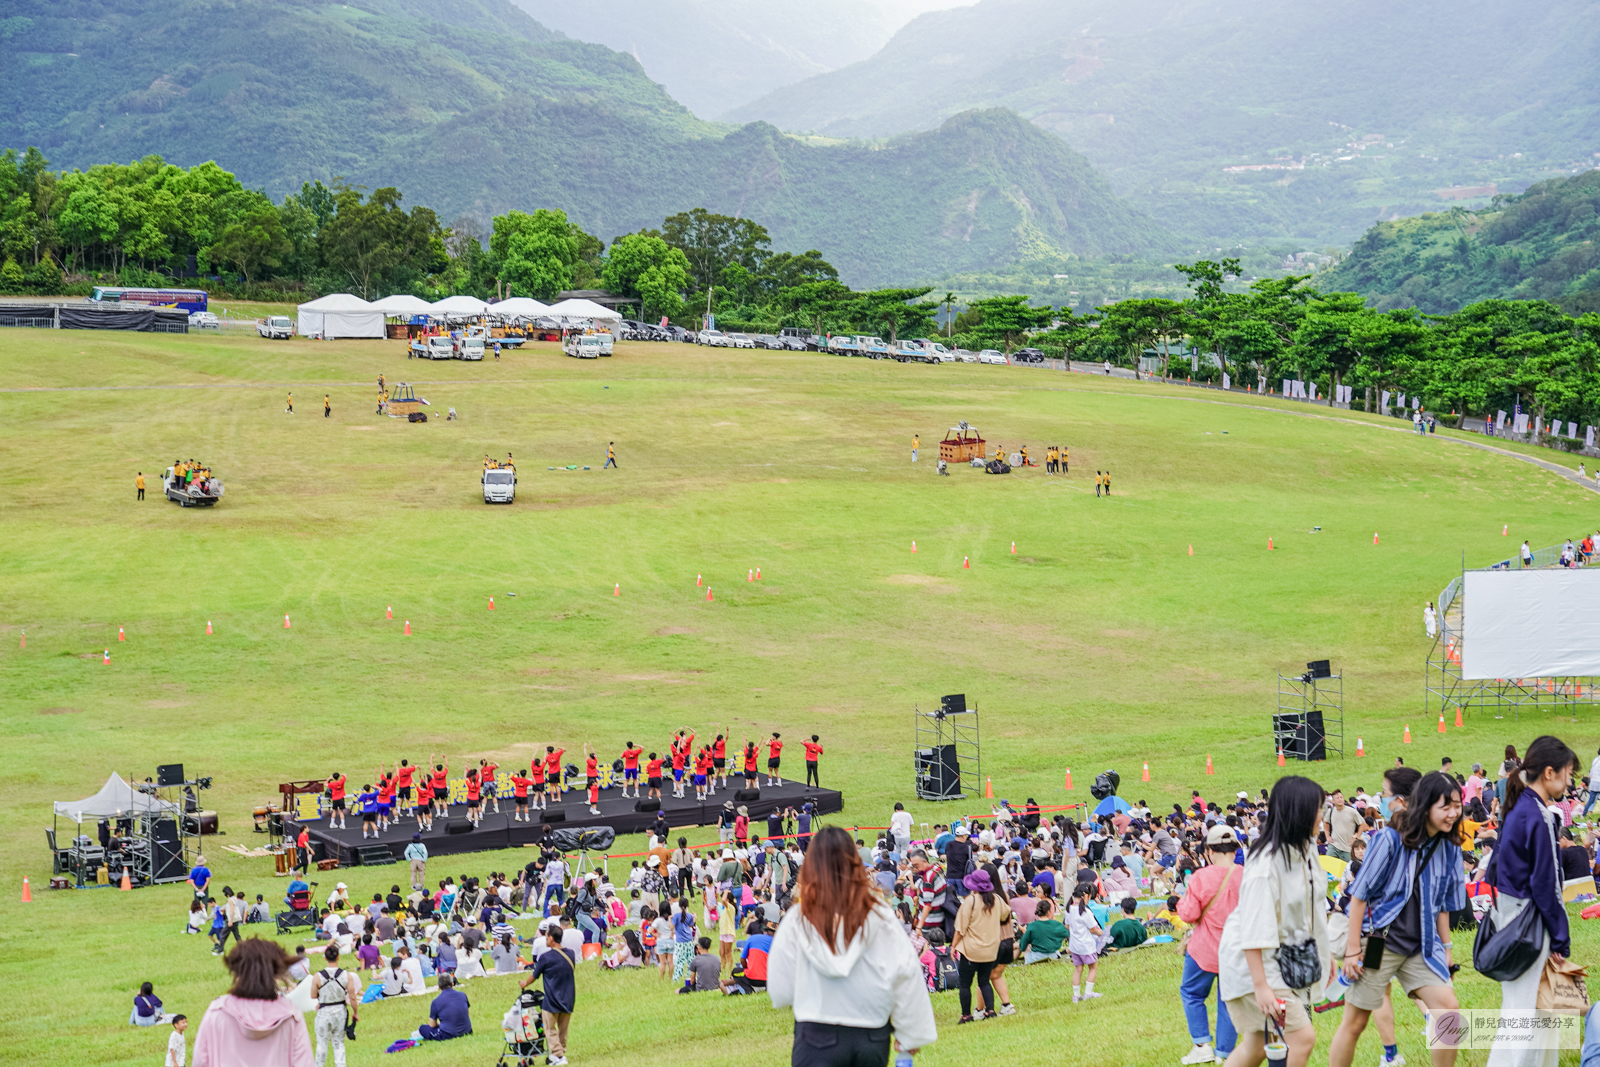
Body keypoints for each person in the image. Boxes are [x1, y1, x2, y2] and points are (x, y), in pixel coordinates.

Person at [1331, 770, 1467, 1067]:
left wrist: (1447, 950)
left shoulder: (1450, 845)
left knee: (1449, 1014)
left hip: (1422, 945)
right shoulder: (1389, 839)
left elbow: (1443, 902)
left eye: (1456, 805)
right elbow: (1359, 896)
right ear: (1425, 806)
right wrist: (1353, 950)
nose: (1453, 813)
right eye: (1445, 807)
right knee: (1355, 1024)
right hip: (1382, 942)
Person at [768, 825, 936, 1065]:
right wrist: (911, 1032)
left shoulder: (798, 919)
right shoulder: (879, 915)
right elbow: (905, 972)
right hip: (871, 1032)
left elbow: (780, 990)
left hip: (816, 1031)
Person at [1215, 775, 1330, 1067]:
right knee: (1301, 1038)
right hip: (1254, 962)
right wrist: (1261, 986)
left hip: (1283, 959)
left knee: (1256, 1046)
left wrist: (1325, 960)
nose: (1323, 815)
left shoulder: (1305, 849)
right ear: (1300, 811)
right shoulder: (1266, 863)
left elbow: (1313, 910)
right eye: (1319, 808)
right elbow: (1254, 929)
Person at [1487, 735, 1577, 1067]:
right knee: (1524, 1015)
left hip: (1512, 917)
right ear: (1550, 772)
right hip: (1530, 922)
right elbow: (1546, 884)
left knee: (1536, 1011)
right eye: (1568, 772)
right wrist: (1561, 937)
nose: (1570, 781)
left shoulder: (1519, 806)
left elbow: (1495, 871)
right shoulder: (1538, 815)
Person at [1177, 824, 1243, 1064]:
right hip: (1237, 951)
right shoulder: (1246, 876)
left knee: (1191, 993)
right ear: (1235, 849)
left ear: (1209, 851)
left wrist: (1179, 905)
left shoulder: (1200, 876)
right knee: (1229, 1001)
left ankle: (1202, 1044)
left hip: (1204, 950)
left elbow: (1188, 915)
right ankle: (1225, 1054)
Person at [191, 938, 313, 1067]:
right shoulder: (291, 1015)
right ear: (275, 974)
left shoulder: (217, 1013)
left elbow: (200, 1061)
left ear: (237, 972)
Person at [950, 867, 1011, 1023]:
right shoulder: (997, 899)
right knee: (984, 981)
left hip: (971, 950)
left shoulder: (971, 901)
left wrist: (953, 946)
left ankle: (966, 1015)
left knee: (965, 984)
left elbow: (960, 928)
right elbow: (1006, 914)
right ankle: (990, 1011)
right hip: (991, 949)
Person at [522, 928, 575, 1066]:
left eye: (546, 937)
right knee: (563, 1029)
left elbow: (534, 976)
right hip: (568, 998)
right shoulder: (571, 954)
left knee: (549, 1028)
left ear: (551, 938)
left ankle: (558, 1055)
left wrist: (524, 984)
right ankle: (560, 1053)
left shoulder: (545, 957)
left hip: (552, 999)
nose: (546, 940)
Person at [310, 944, 359, 1067]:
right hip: (340, 1012)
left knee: (322, 1043)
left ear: (325, 958)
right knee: (338, 1043)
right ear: (338, 957)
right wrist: (355, 1012)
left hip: (324, 1012)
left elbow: (313, 995)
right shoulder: (346, 976)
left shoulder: (318, 976)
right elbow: (353, 997)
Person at [411, 972, 471, 1044]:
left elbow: (432, 1024)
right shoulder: (462, 995)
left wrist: (440, 1024)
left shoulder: (436, 1002)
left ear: (439, 986)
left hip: (448, 1034)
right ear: (452, 984)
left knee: (422, 1028)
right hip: (467, 1030)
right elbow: (466, 1012)